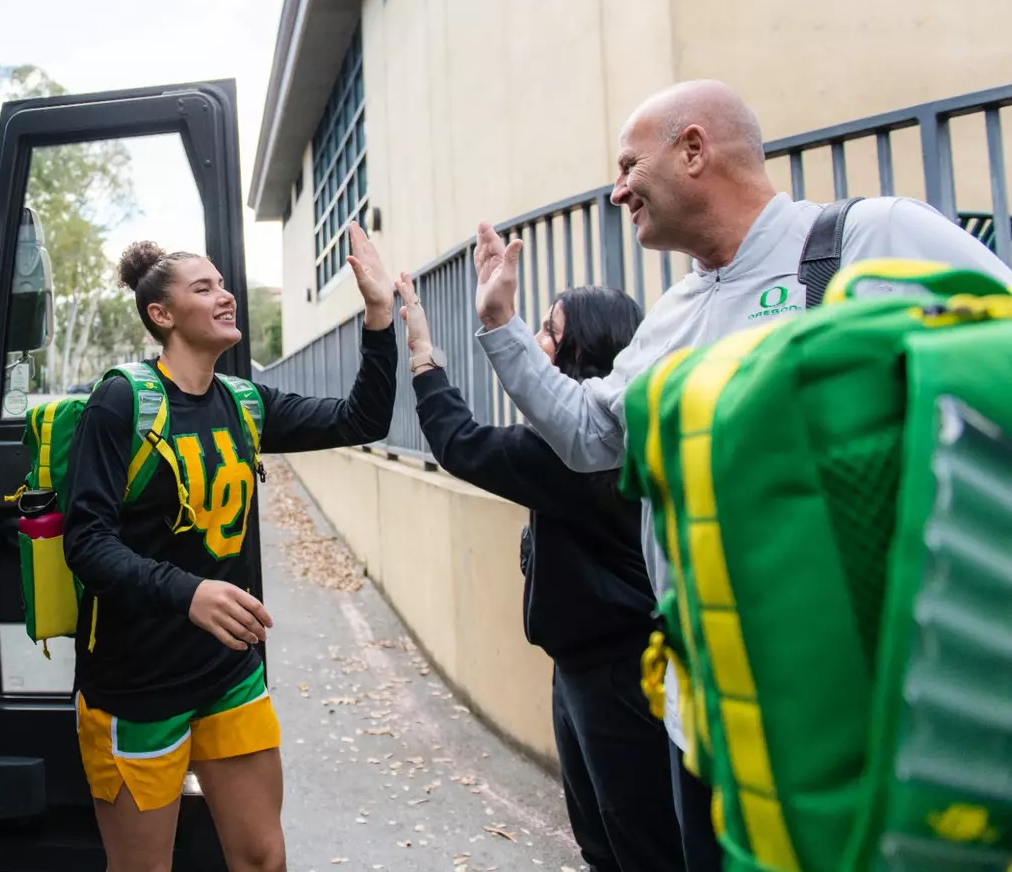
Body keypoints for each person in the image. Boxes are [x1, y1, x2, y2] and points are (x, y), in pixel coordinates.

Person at [466, 79, 1012, 869]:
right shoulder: (671, 317)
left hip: (859, 711)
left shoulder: (873, 237)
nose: (617, 191)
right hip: (705, 722)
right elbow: (590, 436)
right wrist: (500, 326)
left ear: (694, 150)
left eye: (628, 165)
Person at [62, 223, 397, 872]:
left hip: (229, 675)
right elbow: (87, 543)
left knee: (263, 858)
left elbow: (364, 419)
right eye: (203, 287)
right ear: (162, 314)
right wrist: (188, 593)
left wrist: (379, 315)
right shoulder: (121, 402)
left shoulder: (244, 403)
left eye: (223, 284)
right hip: (136, 686)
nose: (225, 295)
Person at [398, 274, 682, 872]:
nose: (538, 345)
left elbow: (460, 443)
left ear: (586, 350)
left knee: (639, 848)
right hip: (584, 668)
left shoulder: (584, 455)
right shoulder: (588, 444)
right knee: (604, 842)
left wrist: (423, 356)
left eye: (550, 332)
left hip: (619, 674)